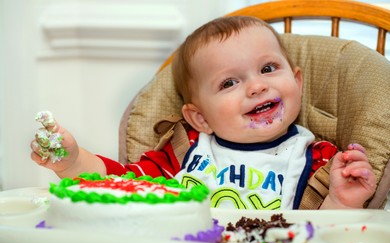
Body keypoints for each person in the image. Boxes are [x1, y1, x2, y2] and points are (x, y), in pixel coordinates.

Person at [31, 16, 376, 210]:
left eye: (268, 68)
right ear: (200, 118)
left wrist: (341, 199)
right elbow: (124, 187)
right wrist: (73, 162)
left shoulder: (320, 161)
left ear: (297, 83)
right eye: (229, 83)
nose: (256, 86)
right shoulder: (185, 151)